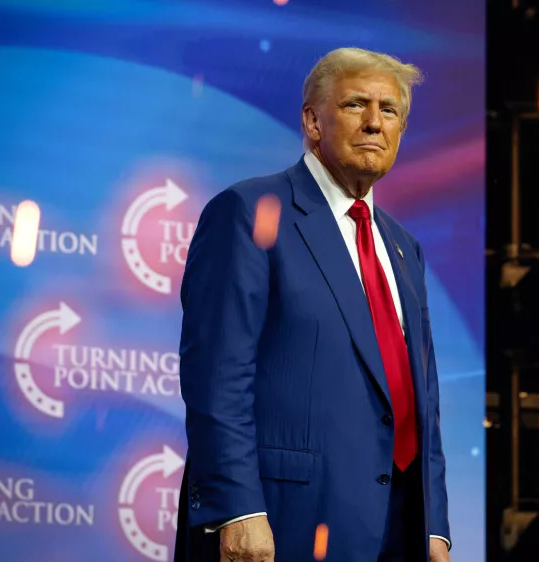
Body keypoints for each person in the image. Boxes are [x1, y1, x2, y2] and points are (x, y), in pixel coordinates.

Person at [174, 47, 451, 562]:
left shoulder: (403, 248)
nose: (374, 123)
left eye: (389, 111)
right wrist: (237, 510)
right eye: (355, 105)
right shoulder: (250, 212)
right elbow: (216, 376)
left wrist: (435, 529)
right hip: (284, 521)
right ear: (312, 121)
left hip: (398, 528)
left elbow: (423, 405)